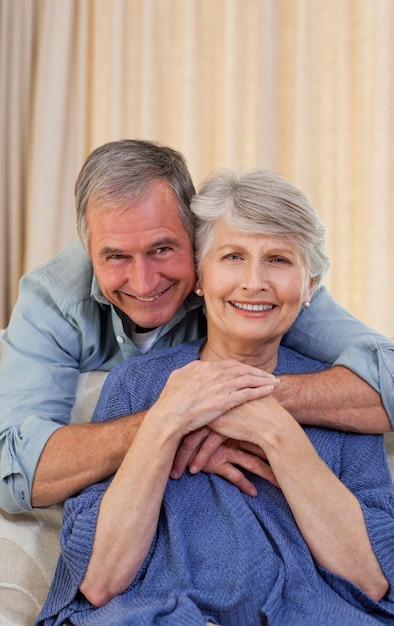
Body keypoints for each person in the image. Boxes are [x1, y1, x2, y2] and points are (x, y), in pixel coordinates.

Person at [35, 168, 394, 626]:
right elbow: (100, 581)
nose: (253, 282)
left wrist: (275, 430)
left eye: (279, 260)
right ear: (200, 277)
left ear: (309, 286)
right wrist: (167, 422)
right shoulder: (137, 385)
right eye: (233, 256)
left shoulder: (341, 397)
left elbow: (372, 579)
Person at [0, 139, 393, 515]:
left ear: (193, 235)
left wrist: (235, 401)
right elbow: (10, 466)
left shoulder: (255, 286)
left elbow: (387, 370)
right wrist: (171, 422)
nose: (143, 282)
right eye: (116, 256)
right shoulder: (53, 299)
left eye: (162, 250)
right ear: (89, 250)